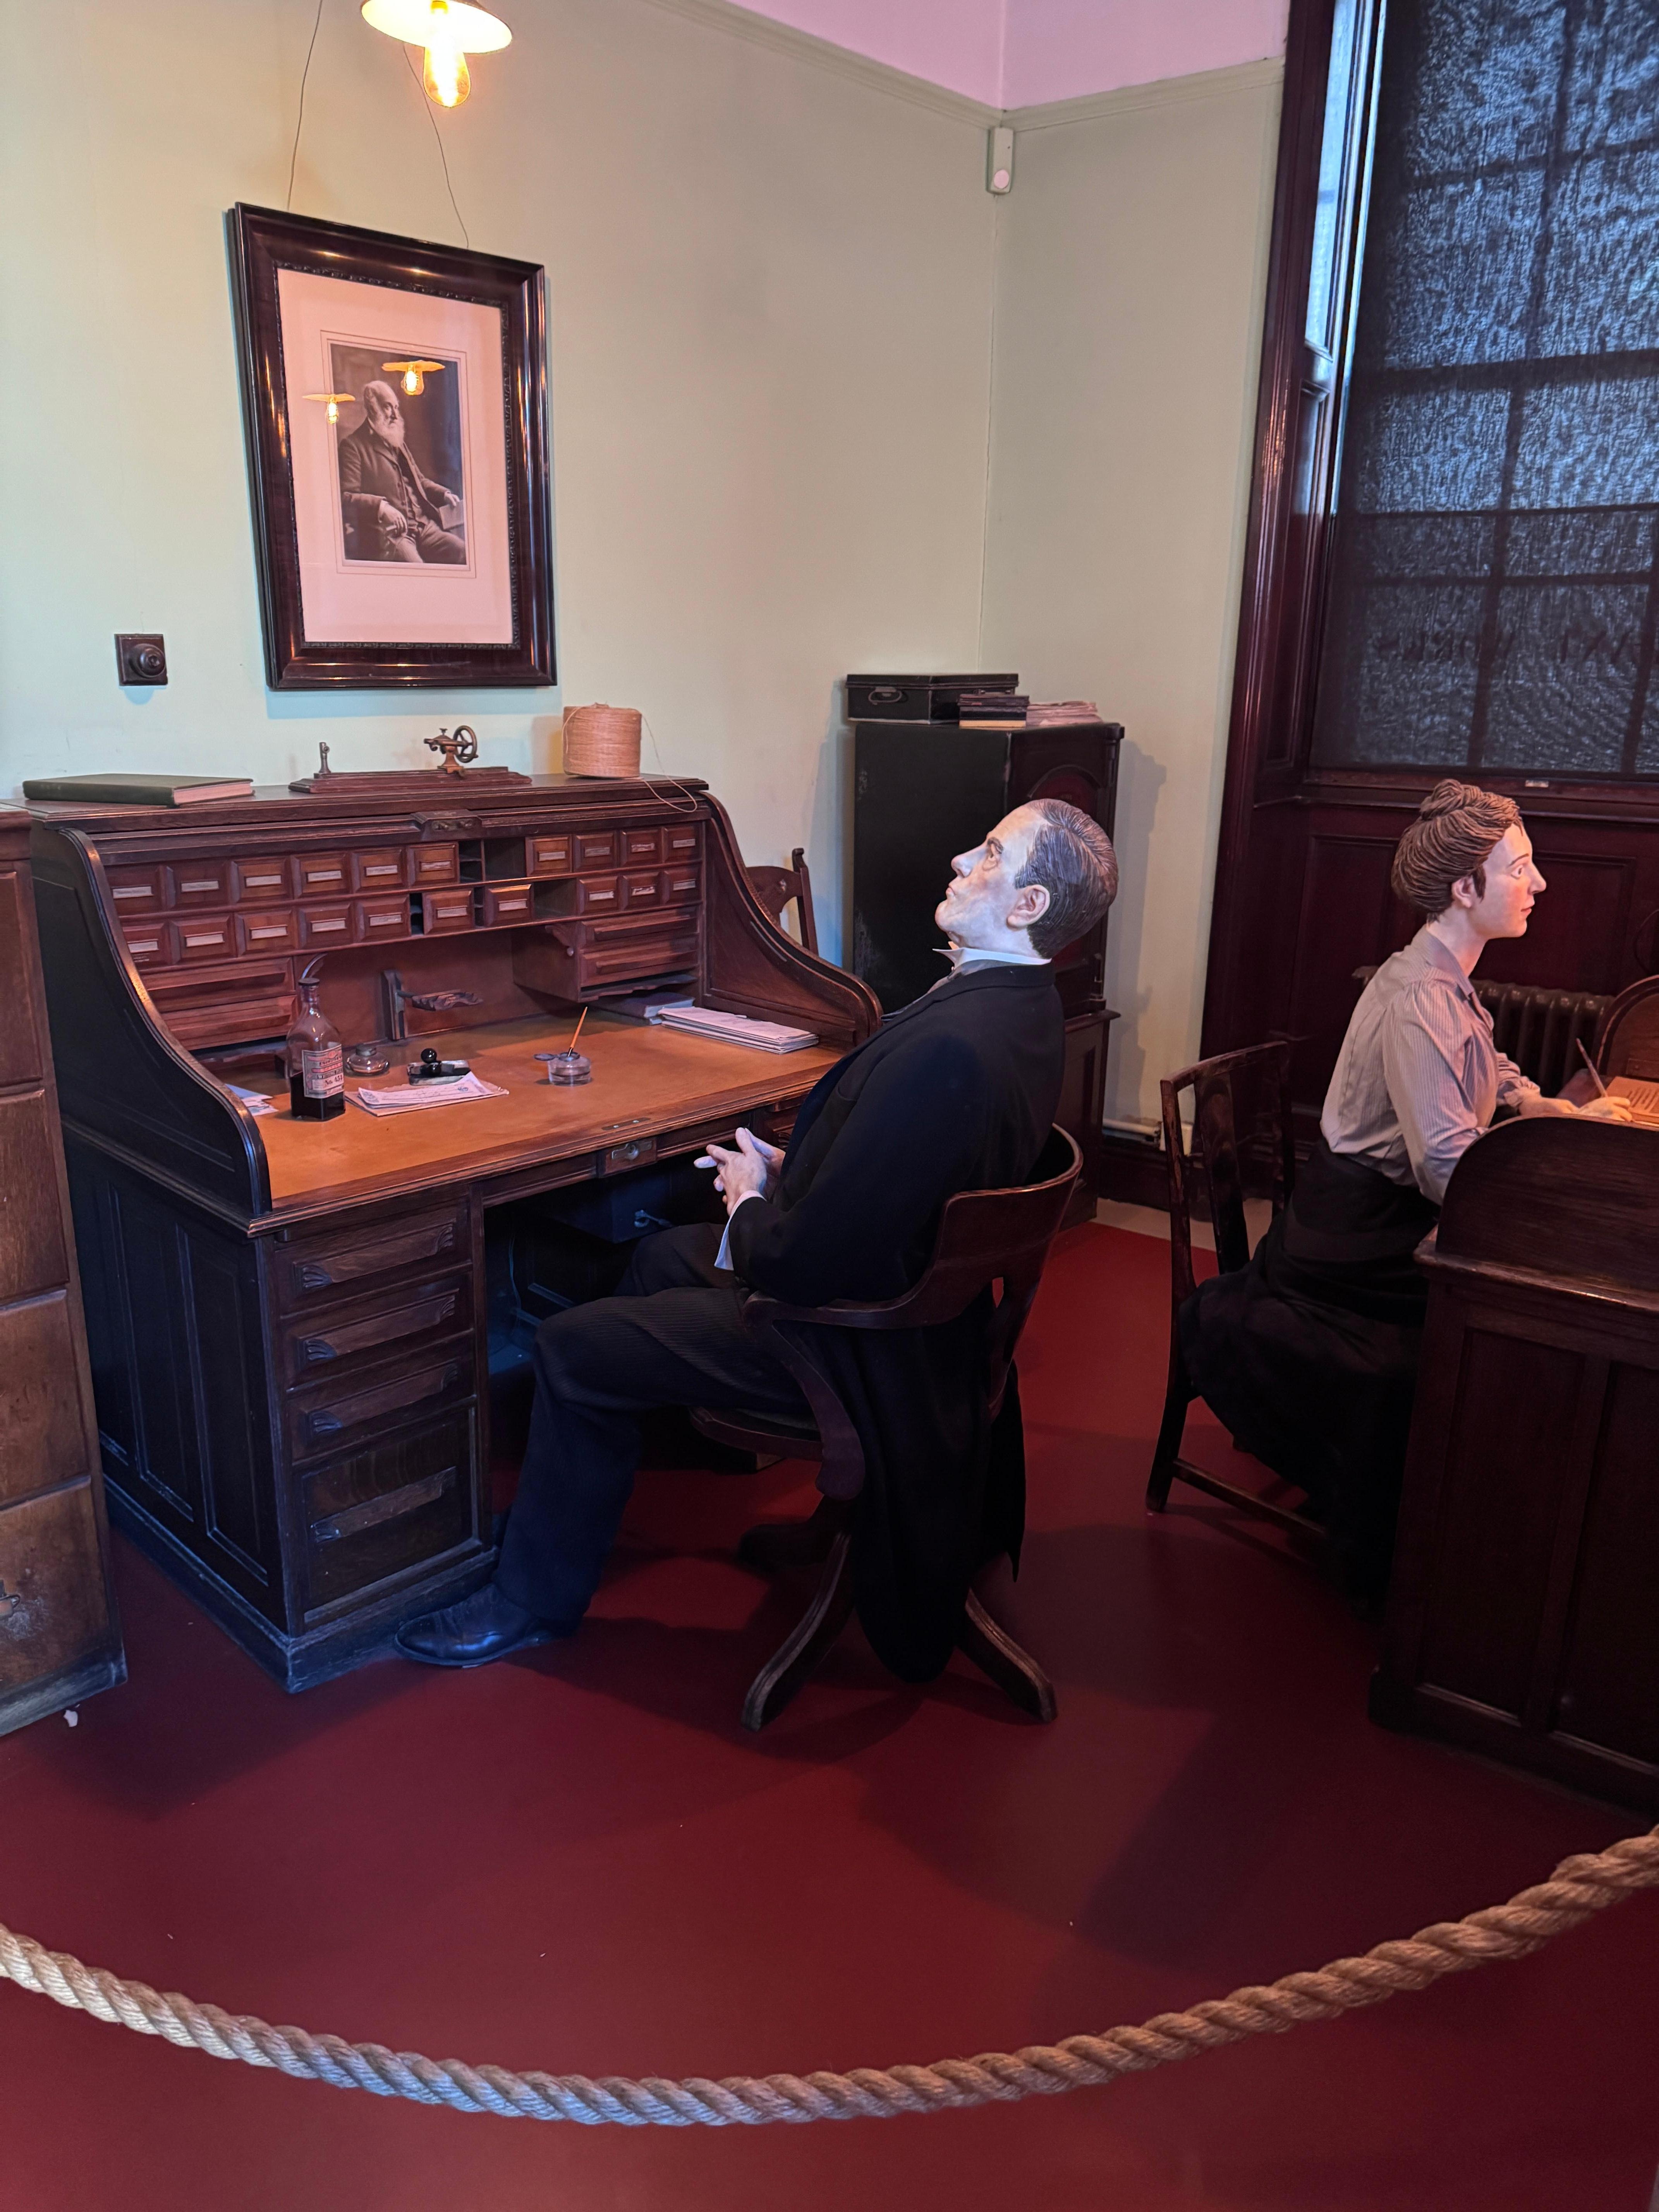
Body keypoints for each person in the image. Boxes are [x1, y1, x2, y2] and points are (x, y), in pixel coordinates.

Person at [397, 798, 1119, 1676]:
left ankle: (529, 1600)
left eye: (993, 853)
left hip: (857, 1341)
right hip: (924, 1316)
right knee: (658, 1255)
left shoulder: (952, 1049)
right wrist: (796, 1173)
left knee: (571, 1347)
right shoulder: (1024, 1008)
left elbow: (804, 1264)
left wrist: (750, 1201)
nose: (963, 857)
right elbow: (918, 1172)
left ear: (1029, 906)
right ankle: (575, 1498)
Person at [1178, 780, 1631, 1603]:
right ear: (1463, 889)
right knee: (1501, 1320)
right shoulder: (1421, 995)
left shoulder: (1441, 973)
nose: (1538, 884)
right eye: (1520, 869)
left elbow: (1485, 1064)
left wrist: (1550, 1109)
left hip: (1376, 1221)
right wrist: (1547, 1189)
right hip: (1349, 1245)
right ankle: (1436, 1538)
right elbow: (1446, 1169)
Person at [336, 381, 465, 564]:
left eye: (396, 407)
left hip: (424, 526)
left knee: (463, 553)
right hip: (391, 534)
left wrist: (444, 494)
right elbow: (345, 497)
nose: (395, 415)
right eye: (388, 407)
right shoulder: (353, 446)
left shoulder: (396, 441)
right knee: (417, 573)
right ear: (373, 408)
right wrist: (382, 508)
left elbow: (419, 481)